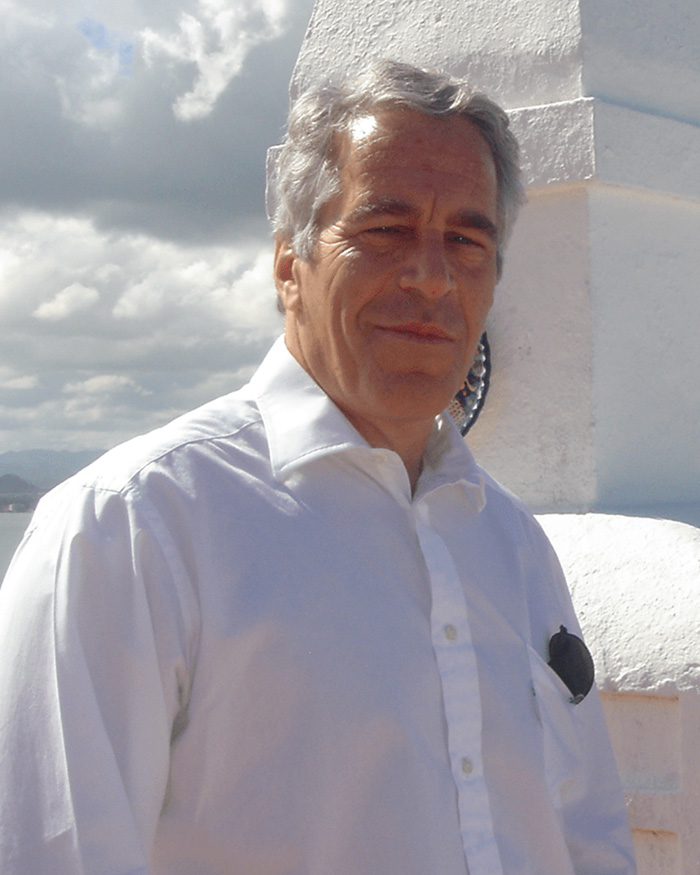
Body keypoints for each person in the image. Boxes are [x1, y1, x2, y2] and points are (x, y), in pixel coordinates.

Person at [0, 60, 636, 874]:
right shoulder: (131, 527)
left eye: (467, 241)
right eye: (384, 229)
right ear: (286, 265)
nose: (432, 276)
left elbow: (586, 837)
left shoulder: (510, 542)